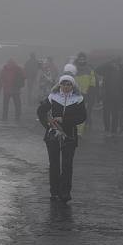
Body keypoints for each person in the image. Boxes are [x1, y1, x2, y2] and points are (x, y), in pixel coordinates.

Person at [36, 74, 87, 203]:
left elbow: (82, 117)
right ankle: (54, 191)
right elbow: (41, 111)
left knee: (67, 165)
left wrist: (64, 120)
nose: (65, 86)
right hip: (53, 135)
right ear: (59, 84)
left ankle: (65, 192)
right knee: (54, 164)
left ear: (72, 85)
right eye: (63, 84)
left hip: (70, 136)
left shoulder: (78, 99)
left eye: (68, 84)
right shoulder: (53, 97)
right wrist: (48, 124)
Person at [73, 52, 98, 134]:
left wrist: (91, 93)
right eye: (80, 59)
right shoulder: (73, 69)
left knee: (84, 112)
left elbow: (93, 83)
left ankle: (81, 129)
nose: (82, 60)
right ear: (78, 59)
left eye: (83, 59)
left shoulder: (89, 70)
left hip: (86, 94)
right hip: (75, 94)